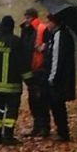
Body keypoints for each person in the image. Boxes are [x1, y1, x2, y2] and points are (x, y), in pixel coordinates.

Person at [0, 14, 28, 146]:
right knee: (11, 110)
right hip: (12, 84)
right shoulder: (16, 41)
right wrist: (30, 81)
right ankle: (8, 136)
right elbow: (22, 63)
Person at [41, 12, 76, 141]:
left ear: (54, 22)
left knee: (57, 105)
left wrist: (52, 77)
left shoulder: (60, 35)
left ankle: (63, 132)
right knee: (56, 105)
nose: (46, 24)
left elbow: (57, 58)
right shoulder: (55, 35)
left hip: (59, 79)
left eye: (48, 22)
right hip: (59, 77)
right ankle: (61, 131)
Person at [22, 8, 49, 137]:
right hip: (31, 70)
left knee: (41, 100)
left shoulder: (42, 29)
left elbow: (48, 46)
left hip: (40, 70)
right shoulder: (26, 31)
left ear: (32, 17)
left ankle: (44, 127)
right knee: (33, 100)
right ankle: (37, 127)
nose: (25, 20)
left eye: (27, 18)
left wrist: (42, 49)